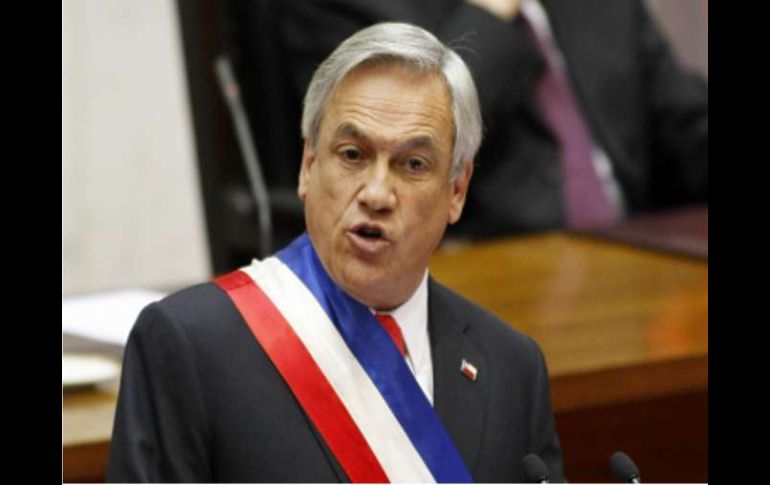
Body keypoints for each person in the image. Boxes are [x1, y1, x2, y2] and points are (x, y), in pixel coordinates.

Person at [107, 22, 565, 482]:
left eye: (413, 164)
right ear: (308, 166)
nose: (377, 193)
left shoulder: (511, 367)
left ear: (457, 191)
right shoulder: (189, 346)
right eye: (352, 155)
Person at [258, 0, 708, 237]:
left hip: (635, 262)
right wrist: (490, 12)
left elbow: (686, 128)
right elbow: (406, 136)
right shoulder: (345, 4)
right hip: (480, 274)